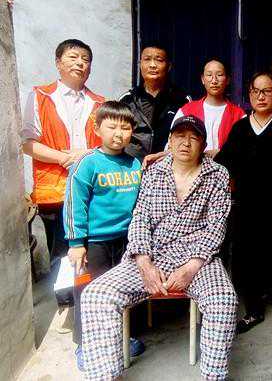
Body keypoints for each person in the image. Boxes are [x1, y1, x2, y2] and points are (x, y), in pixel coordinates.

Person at [80, 115, 237, 381]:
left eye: (194, 138)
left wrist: (191, 267)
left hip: (199, 257)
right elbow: (140, 219)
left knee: (224, 301)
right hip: (154, 253)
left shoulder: (217, 174)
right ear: (170, 141)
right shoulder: (154, 172)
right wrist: (144, 263)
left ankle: (214, 376)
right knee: (96, 295)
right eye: (180, 136)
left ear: (203, 144)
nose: (186, 143)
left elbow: (216, 227)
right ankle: (105, 376)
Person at [215, 72, 272, 346]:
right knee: (246, 262)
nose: (261, 96)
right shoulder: (241, 128)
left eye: (267, 91)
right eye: (256, 91)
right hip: (246, 208)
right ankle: (254, 311)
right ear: (249, 95)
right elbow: (222, 163)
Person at [63, 101, 145, 371]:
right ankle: (85, 344)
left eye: (125, 128)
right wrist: (76, 243)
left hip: (125, 241)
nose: (118, 134)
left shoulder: (134, 164)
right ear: (97, 129)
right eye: (111, 127)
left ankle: (123, 335)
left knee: (123, 290)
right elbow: (74, 203)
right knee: (87, 292)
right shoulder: (87, 163)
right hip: (93, 243)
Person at [22, 39, 104, 260]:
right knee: (59, 258)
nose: (80, 63)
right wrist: (62, 158)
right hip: (55, 191)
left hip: (91, 191)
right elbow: (27, 143)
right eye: (73, 57)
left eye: (85, 59)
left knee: (91, 255)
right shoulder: (40, 96)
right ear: (58, 63)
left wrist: (84, 155)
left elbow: (108, 145)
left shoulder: (100, 103)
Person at [119, 43, 191, 161]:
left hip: (169, 166)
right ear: (140, 64)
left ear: (168, 66)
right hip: (132, 166)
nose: (152, 65)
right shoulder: (127, 99)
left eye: (159, 60)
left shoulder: (182, 100)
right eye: (147, 59)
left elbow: (188, 137)